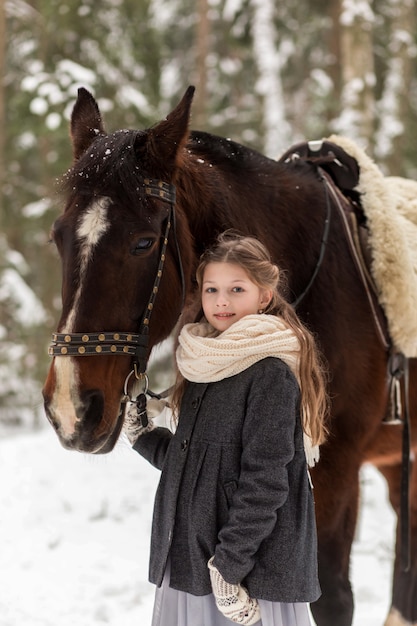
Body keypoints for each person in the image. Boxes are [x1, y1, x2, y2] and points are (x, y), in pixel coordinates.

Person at [124, 231, 328, 626]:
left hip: (247, 568)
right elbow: (199, 462)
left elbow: (265, 482)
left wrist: (228, 569)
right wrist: (143, 436)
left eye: (237, 289)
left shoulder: (269, 373)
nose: (221, 301)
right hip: (193, 554)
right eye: (212, 289)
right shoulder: (204, 363)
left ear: (264, 296)